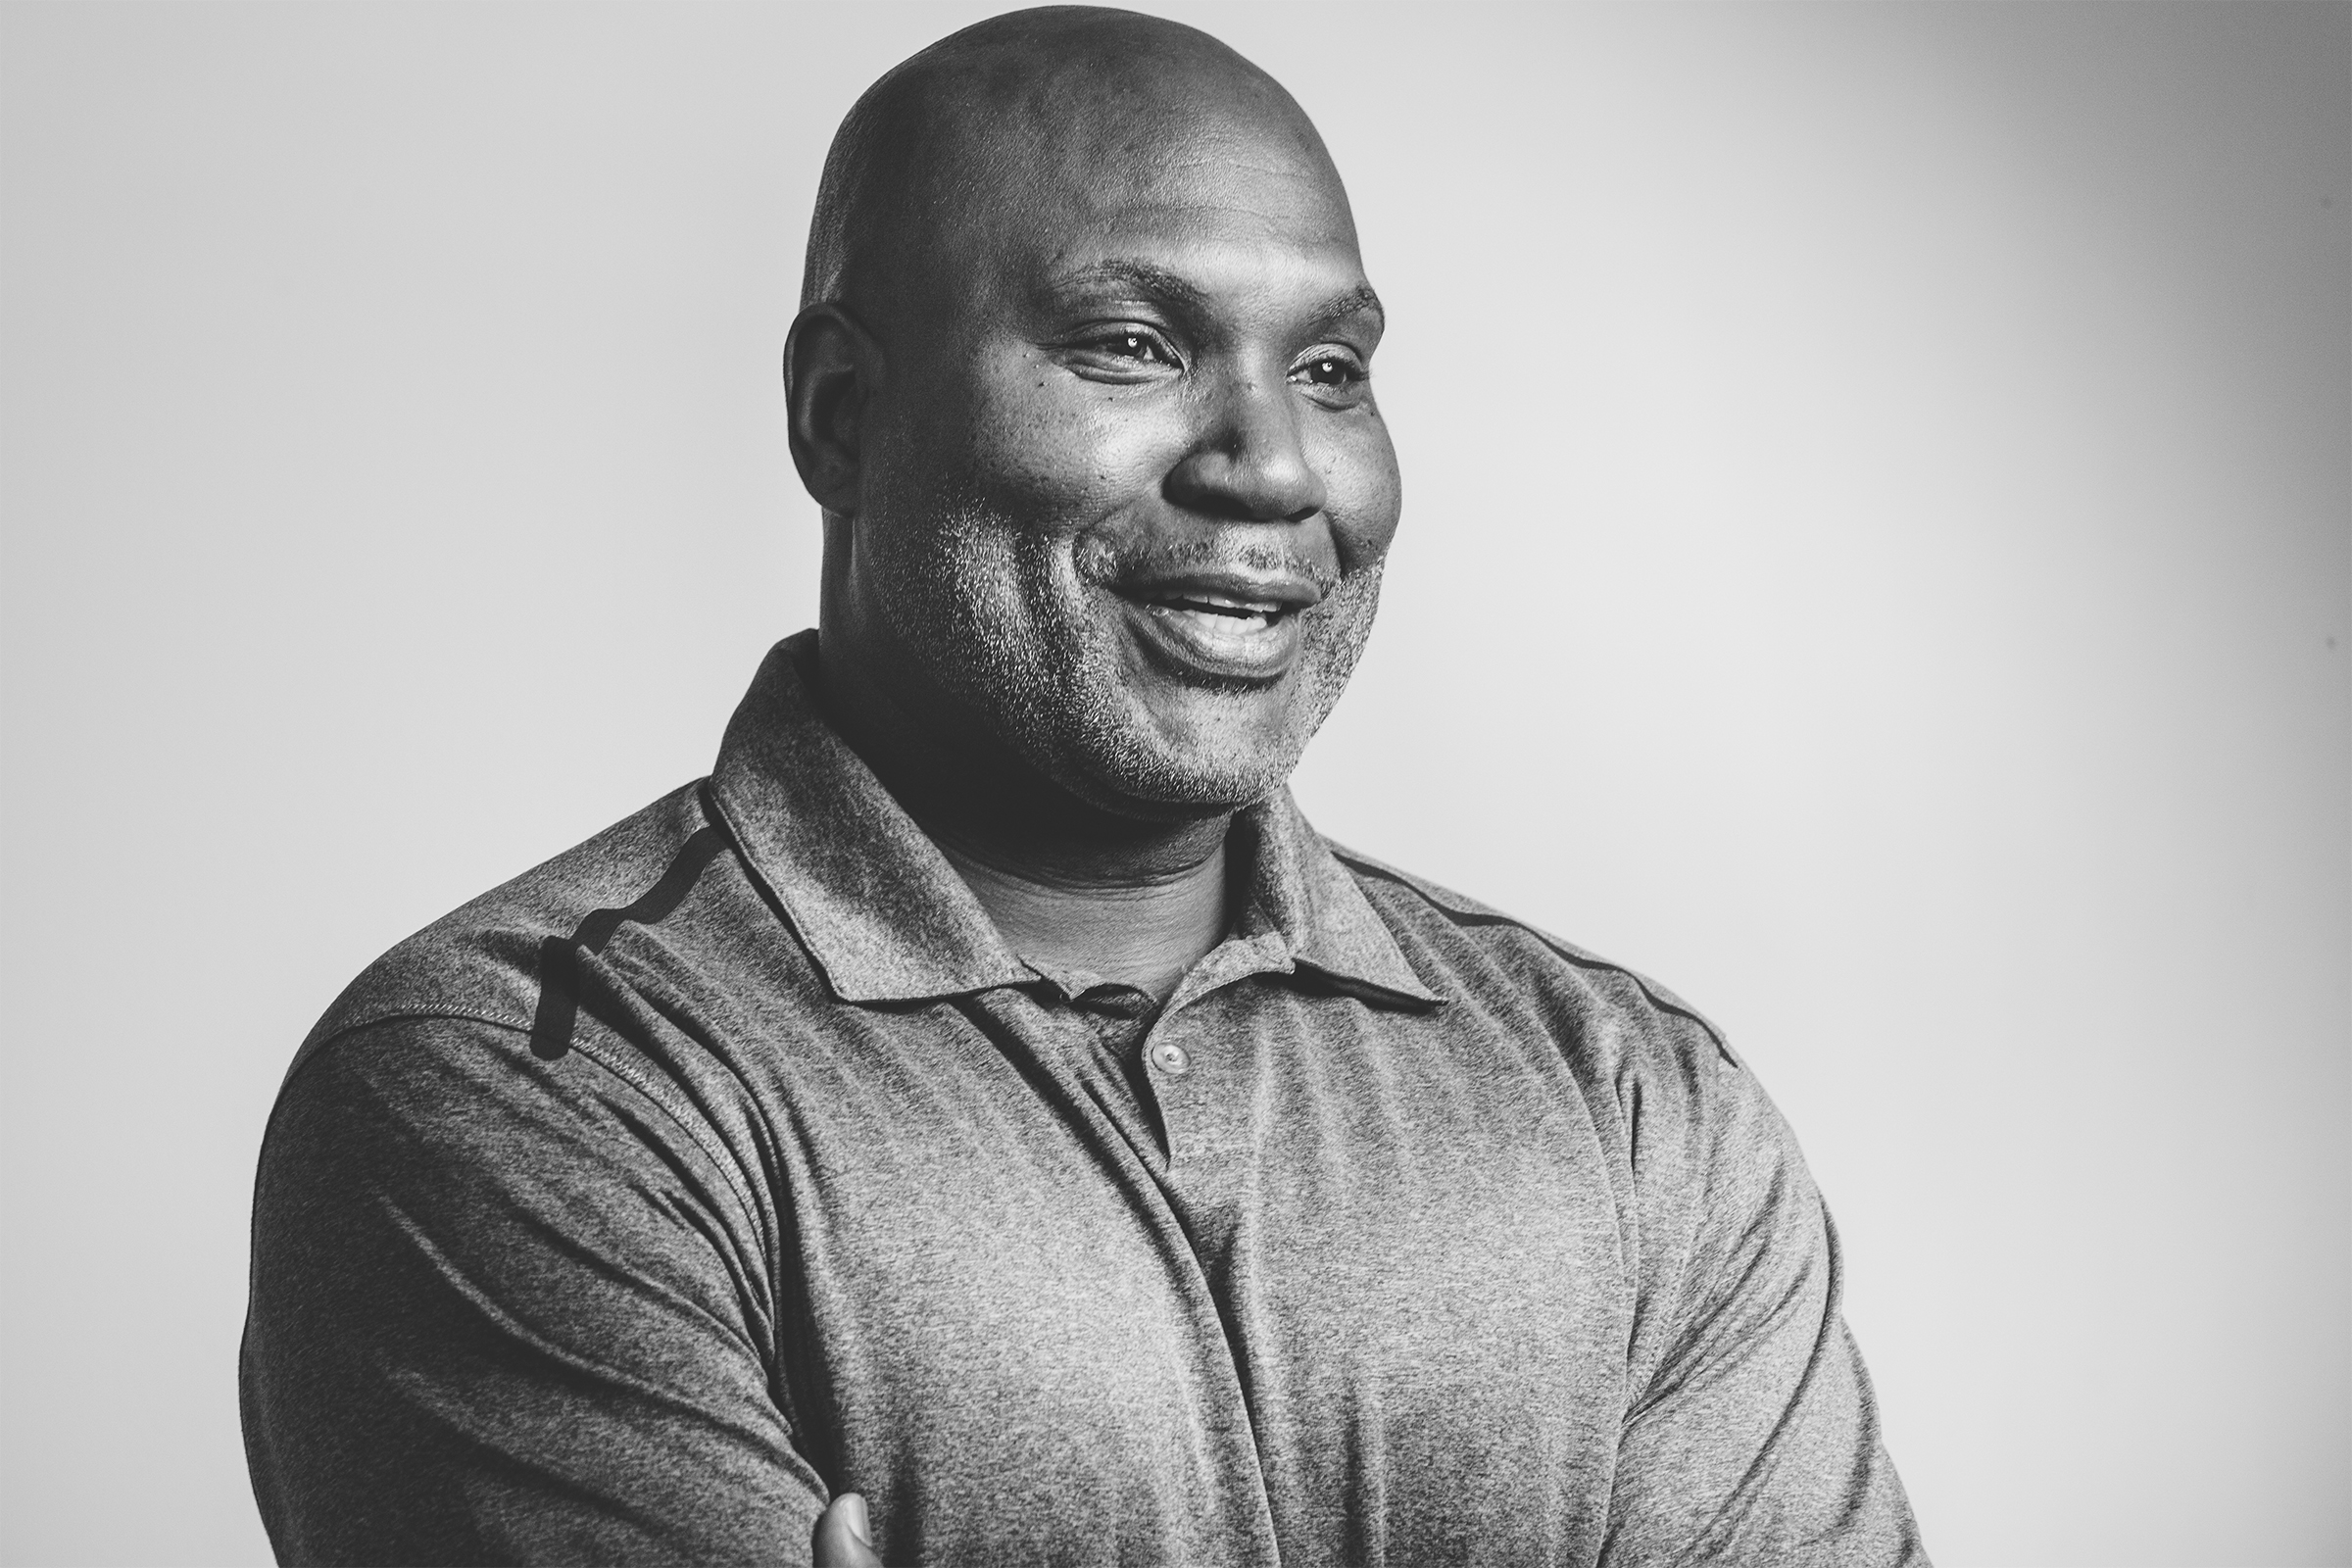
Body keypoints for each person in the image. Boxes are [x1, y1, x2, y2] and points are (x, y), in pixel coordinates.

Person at [240, 8, 1929, 1565]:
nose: (1273, 467)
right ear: (841, 415)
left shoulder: (1628, 1096)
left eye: (1331, 371)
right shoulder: (524, 1085)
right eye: (1133, 345)